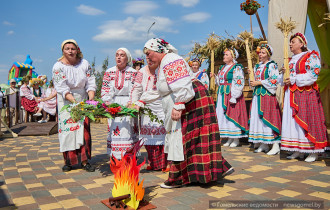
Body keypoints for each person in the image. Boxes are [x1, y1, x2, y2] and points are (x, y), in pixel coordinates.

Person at [144, 38, 233, 189]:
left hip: (190, 99)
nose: (147, 57)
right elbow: (165, 90)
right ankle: (216, 168)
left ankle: (177, 177)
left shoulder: (170, 59)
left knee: (181, 137)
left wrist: (178, 105)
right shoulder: (165, 62)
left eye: (149, 53)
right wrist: (141, 101)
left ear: (159, 50)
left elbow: (182, 84)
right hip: (189, 98)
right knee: (193, 138)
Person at [280, 33, 329, 162]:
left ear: (301, 44)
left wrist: (293, 78)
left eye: (293, 42)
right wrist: (283, 76)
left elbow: (313, 75)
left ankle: (313, 150)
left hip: (306, 94)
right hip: (291, 94)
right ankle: (297, 149)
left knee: (309, 119)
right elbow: (284, 80)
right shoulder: (289, 60)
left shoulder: (310, 56)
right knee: (293, 123)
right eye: (290, 42)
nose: (290, 44)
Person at [52, 39, 96, 172]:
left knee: (83, 131)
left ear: (77, 50)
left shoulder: (85, 64)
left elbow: (91, 82)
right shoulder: (58, 67)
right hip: (66, 101)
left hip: (82, 99)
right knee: (68, 131)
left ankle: (84, 161)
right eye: (67, 49)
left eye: (73, 48)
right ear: (63, 51)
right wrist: (74, 102)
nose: (70, 51)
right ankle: (68, 162)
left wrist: (90, 100)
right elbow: (62, 87)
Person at [129, 61, 169, 172]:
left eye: (151, 57)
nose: (149, 60)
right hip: (146, 105)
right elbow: (136, 88)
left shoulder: (163, 69)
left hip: (161, 104)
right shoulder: (142, 72)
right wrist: (133, 103)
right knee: (149, 135)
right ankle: (153, 162)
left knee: (163, 133)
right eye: (147, 57)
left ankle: (166, 163)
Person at [101, 48, 138, 160]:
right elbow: (105, 90)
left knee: (127, 130)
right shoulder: (109, 72)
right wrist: (110, 104)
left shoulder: (133, 72)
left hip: (128, 104)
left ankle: (129, 156)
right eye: (117, 55)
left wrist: (130, 103)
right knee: (115, 129)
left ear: (127, 59)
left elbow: (135, 90)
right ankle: (116, 157)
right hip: (114, 103)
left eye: (122, 55)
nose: (118, 57)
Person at [248, 44, 281, 155]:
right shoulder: (257, 66)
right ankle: (264, 143)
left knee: (269, 118)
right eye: (260, 53)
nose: (260, 55)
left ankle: (275, 144)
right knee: (259, 120)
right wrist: (251, 77)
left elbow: (274, 80)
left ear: (268, 54)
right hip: (257, 96)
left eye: (263, 53)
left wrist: (260, 82)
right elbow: (252, 84)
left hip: (267, 95)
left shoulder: (272, 65)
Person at [211, 48, 248, 147]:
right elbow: (220, 81)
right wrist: (215, 77)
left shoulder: (237, 67)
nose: (224, 56)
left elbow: (239, 81)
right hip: (222, 93)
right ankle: (229, 137)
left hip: (231, 93)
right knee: (223, 115)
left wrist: (235, 95)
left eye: (227, 55)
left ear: (232, 57)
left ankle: (235, 138)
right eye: (224, 55)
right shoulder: (222, 68)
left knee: (232, 114)